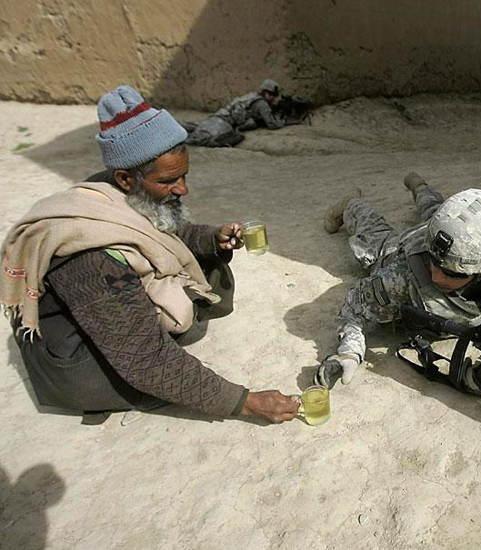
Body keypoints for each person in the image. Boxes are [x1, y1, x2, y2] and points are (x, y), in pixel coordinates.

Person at [0, 85, 299, 424]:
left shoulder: (124, 192)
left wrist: (210, 239)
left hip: (107, 314)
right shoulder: (90, 255)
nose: (183, 189)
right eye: (170, 181)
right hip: (77, 360)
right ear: (126, 178)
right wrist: (245, 402)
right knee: (147, 377)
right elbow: (145, 360)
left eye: (184, 176)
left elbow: (161, 231)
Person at [316, 173, 481, 394]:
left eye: (451, 273)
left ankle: (420, 187)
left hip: (441, 234)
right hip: (406, 245)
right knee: (375, 236)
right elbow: (354, 308)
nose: (436, 276)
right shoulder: (402, 276)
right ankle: (352, 204)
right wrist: (350, 352)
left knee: (433, 210)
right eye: (432, 264)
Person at [183, 79, 312, 147]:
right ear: (266, 93)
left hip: (220, 117)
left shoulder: (253, 96)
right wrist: (289, 121)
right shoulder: (261, 104)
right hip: (223, 122)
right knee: (199, 139)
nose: (273, 98)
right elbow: (272, 124)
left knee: (194, 128)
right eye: (272, 95)